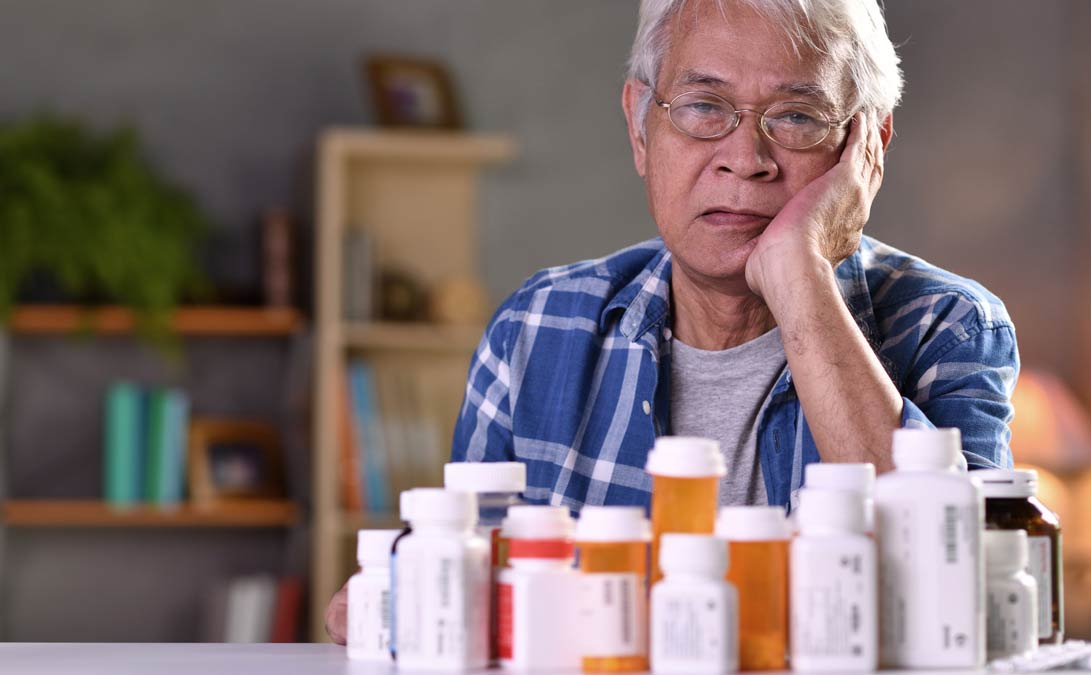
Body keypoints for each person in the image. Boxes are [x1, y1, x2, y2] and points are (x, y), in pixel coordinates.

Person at [326, 0, 1018, 643]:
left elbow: (963, 617)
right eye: (703, 107)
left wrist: (800, 274)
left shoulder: (951, 327)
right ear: (639, 127)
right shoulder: (536, 328)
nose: (746, 160)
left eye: (799, 118)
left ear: (866, 148)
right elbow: (449, 604)